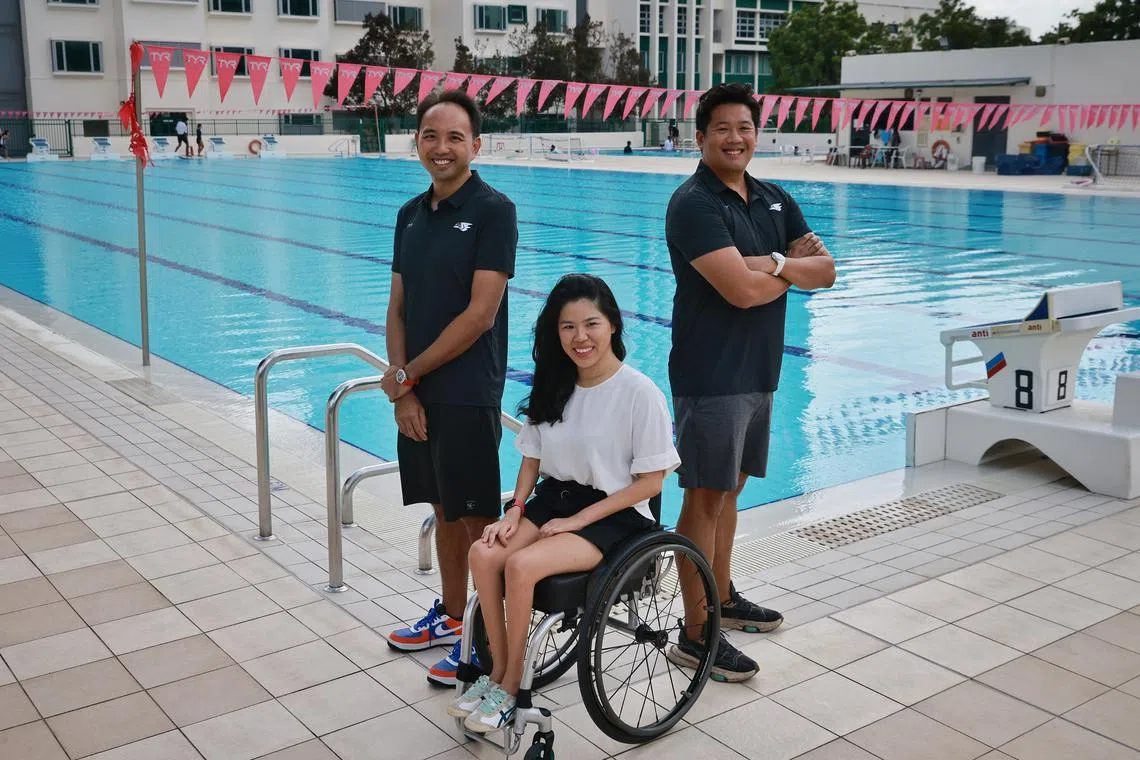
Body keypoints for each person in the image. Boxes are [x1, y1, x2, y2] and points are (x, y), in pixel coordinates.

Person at [450, 273, 679, 732]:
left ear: (612, 324)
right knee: (484, 552)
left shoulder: (640, 393)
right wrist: (514, 510)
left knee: (520, 566)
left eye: (590, 324)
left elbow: (650, 482)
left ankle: (513, 683)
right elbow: (531, 460)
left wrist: (579, 520)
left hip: (616, 514)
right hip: (555, 500)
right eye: (567, 327)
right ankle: (497, 669)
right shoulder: (555, 384)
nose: (580, 338)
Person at [664, 83, 836, 682]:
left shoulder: (772, 198)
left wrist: (772, 264)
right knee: (704, 498)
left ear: (756, 133)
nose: (735, 138)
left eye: (745, 127)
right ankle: (695, 632)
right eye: (722, 129)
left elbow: (829, 272)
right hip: (711, 373)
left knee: (730, 492)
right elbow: (737, 291)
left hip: (759, 370)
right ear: (701, 136)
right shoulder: (694, 204)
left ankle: (723, 596)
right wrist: (790, 268)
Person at [381, 89, 518, 688]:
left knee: (479, 519)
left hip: (467, 389)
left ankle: (487, 640)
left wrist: (411, 375)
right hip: (421, 391)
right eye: (431, 136)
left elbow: (480, 314)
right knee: (442, 511)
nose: (442, 148)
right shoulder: (410, 213)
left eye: (455, 137)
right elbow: (398, 308)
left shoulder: (493, 210)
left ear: (476, 145)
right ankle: (453, 614)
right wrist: (404, 389)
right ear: (418, 143)